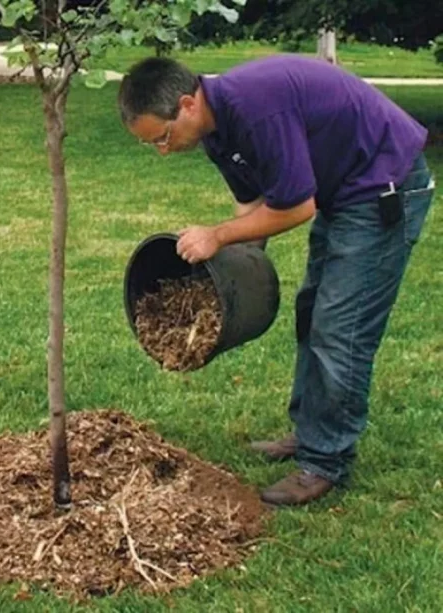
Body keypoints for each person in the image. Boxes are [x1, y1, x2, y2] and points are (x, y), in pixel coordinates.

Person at [117, 55, 436, 506]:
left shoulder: (255, 108)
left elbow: (296, 207)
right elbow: (253, 208)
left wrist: (217, 235)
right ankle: (311, 432)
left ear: (187, 103)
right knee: (312, 313)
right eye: (153, 144)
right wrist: (222, 282)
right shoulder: (216, 130)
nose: (163, 151)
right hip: (345, 193)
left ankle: (325, 461)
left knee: (340, 327)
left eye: (163, 138)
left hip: (384, 189)